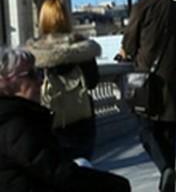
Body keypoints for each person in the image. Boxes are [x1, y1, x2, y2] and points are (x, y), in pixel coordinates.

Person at [0, 46, 131, 191]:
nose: (40, 81)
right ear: (4, 80)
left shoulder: (16, 114)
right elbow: (54, 171)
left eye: (39, 73)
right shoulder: (12, 121)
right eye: (30, 74)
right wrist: (113, 184)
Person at [120, 0, 176, 192]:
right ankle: (168, 180)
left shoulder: (141, 6)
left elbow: (130, 41)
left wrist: (129, 52)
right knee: (169, 132)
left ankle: (164, 169)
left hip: (147, 79)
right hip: (174, 79)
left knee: (146, 129)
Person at [26, 0, 101, 161]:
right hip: (81, 120)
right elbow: (93, 81)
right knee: (82, 169)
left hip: (49, 121)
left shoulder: (34, 53)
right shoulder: (82, 48)